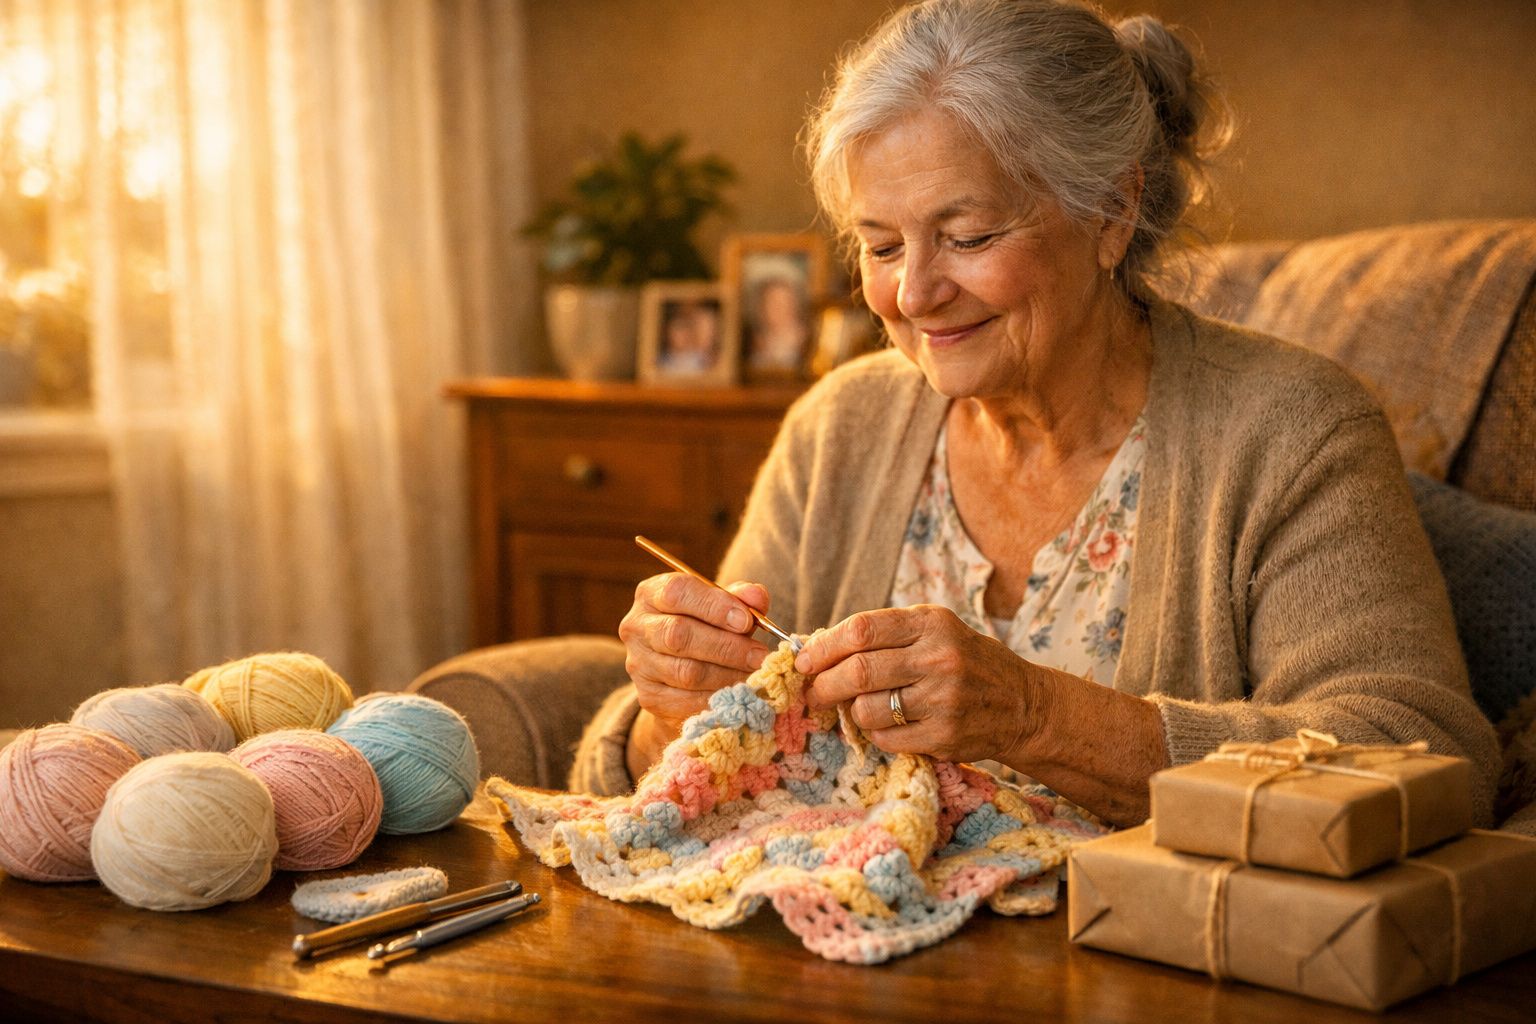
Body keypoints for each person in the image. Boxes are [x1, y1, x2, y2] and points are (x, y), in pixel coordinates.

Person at [576, 0, 1500, 826]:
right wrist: (675, 715)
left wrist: (1036, 717)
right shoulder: (840, 427)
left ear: (1111, 212)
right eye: (881, 245)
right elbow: (675, 777)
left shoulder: (1293, 428)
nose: (916, 292)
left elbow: (1426, 758)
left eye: (969, 237)